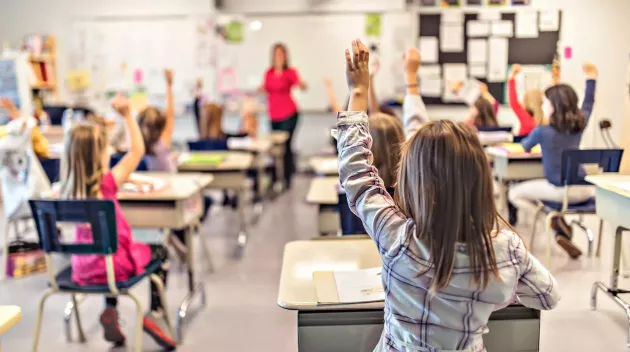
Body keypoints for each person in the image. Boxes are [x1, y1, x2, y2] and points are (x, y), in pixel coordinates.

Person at [337, 39, 559, 352]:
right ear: (479, 179)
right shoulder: (504, 248)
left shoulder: (397, 237)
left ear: (412, 177)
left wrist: (358, 93)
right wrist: (498, 288)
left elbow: (357, 175)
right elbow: (548, 296)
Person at [60, 95, 176, 349]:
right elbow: (138, 150)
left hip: (82, 270)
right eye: (105, 150)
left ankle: (110, 309)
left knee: (104, 256)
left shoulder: (64, 194)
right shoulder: (108, 184)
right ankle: (154, 314)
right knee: (160, 251)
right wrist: (127, 115)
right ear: (99, 156)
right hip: (116, 267)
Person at [508, 63, 598, 259]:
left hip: (560, 190)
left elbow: (524, 146)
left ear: (553, 106)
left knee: (513, 193)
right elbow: (588, 103)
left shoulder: (542, 131)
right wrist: (591, 78)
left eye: (545, 102)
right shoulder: (578, 127)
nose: (542, 105)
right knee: (544, 191)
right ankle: (558, 223)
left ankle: (553, 221)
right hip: (586, 190)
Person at [260, 43, 307, 189]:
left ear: (285, 56)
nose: (278, 57)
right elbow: (265, 89)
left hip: (289, 114)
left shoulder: (290, 72)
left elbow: (301, 84)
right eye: (276, 54)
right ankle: (275, 178)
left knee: (286, 146)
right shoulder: (269, 73)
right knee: (274, 147)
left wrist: (302, 84)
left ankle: (287, 179)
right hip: (274, 115)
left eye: (281, 54)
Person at [507, 64, 546, 136]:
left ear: (527, 102)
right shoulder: (545, 119)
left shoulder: (526, 117)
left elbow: (513, 101)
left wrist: (512, 76)